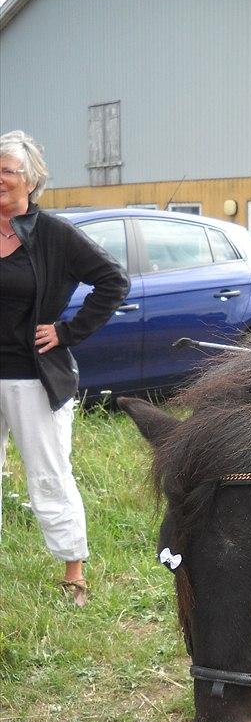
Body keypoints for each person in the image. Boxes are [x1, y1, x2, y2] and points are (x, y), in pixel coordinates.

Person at [0, 130, 130, 605]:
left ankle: (73, 570)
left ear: (30, 181)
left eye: (7, 171)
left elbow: (113, 281)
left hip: (34, 378)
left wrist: (67, 331)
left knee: (49, 474)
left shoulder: (54, 234)